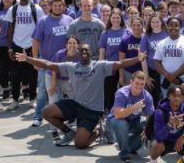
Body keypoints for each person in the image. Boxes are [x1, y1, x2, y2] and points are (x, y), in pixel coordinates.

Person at [15, 44, 145, 148]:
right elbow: (49, 64)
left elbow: (120, 64)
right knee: (46, 112)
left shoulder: (100, 66)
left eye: (86, 51)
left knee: (80, 144)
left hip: (92, 111)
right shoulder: (71, 67)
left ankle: (101, 130)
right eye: (81, 51)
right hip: (76, 105)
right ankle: (68, 132)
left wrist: (137, 59)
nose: (84, 53)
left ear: (90, 53)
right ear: (78, 53)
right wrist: (27, 59)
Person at [31, 0, 73, 126]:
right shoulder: (43, 21)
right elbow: (35, 40)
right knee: (43, 91)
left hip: (64, 64)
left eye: (60, 5)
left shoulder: (69, 20)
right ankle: (38, 116)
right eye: (55, 5)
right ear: (50, 6)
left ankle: (62, 117)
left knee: (67, 91)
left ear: (64, 6)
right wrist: (35, 60)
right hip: (46, 62)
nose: (58, 7)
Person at [4, 0, 44, 111]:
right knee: (15, 75)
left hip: (31, 46)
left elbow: (40, 28)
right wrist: (10, 47)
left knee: (33, 74)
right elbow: (9, 29)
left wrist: (38, 48)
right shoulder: (13, 9)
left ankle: (32, 99)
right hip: (17, 45)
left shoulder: (36, 9)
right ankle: (15, 100)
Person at [107, 71, 155, 162]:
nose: (139, 86)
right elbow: (118, 115)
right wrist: (134, 107)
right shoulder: (121, 93)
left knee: (148, 124)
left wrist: (148, 131)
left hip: (134, 121)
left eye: (142, 84)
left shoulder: (147, 96)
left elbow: (150, 117)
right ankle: (124, 153)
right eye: (136, 83)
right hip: (115, 121)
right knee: (122, 123)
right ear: (131, 82)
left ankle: (128, 146)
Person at [153, 17, 184, 98]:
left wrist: (175, 75)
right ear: (167, 27)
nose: (173, 27)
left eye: (176, 25)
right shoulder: (161, 43)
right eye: (171, 25)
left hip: (182, 79)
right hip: (166, 79)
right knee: (166, 102)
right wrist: (167, 75)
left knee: (182, 102)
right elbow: (156, 61)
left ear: (180, 27)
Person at [140, 14, 169, 104]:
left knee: (165, 94)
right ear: (150, 23)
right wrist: (146, 77)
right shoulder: (146, 36)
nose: (155, 24)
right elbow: (143, 58)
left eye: (157, 22)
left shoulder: (167, 34)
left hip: (165, 70)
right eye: (152, 22)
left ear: (161, 23)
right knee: (154, 96)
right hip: (152, 70)